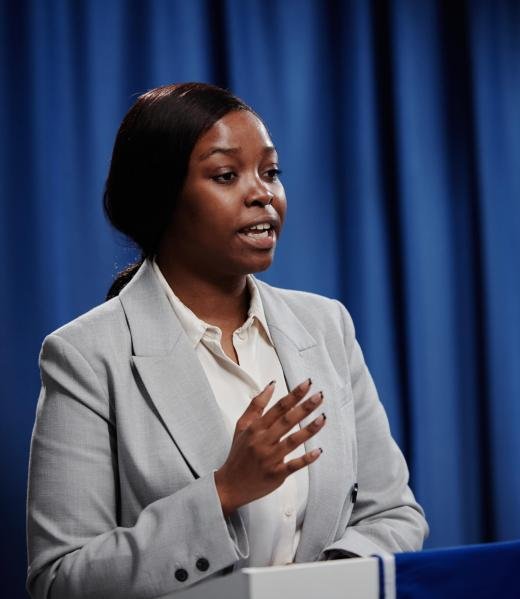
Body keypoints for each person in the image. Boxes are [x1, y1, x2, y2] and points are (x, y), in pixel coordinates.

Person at [26, 82, 428, 599]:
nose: (263, 192)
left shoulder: (327, 325)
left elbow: (393, 514)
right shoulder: (85, 356)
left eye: (271, 171)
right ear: (161, 197)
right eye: (226, 175)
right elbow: (59, 581)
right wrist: (222, 493)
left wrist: (328, 583)